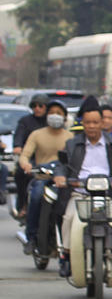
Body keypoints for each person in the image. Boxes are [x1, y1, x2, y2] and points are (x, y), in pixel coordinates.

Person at [54, 97, 112, 277]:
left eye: (95, 122)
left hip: (110, 195)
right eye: (88, 122)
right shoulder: (72, 144)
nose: (92, 126)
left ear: (102, 122)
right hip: (80, 194)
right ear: (82, 124)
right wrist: (60, 176)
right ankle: (67, 257)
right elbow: (62, 164)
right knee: (69, 218)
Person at [17, 100, 72, 252]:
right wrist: (26, 164)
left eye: (59, 113)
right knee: (35, 196)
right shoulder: (37, 134)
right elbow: (25, 155)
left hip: (62, 181)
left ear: (65, 117)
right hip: (42, 178)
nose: (55, 116)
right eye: (52, 113)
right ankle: (32, 237)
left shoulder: (70, 137)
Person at [11, 94, 49, 219]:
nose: (37, 108)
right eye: (34, 106)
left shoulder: (51, 122)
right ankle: (23, 205)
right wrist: (17, 146)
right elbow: (19, 135)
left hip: (49, 159)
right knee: (22, 174)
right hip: (30, 158)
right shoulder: (25, 121)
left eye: (41, 106)